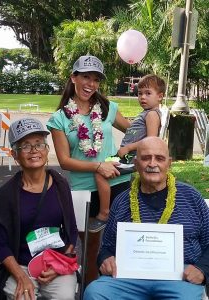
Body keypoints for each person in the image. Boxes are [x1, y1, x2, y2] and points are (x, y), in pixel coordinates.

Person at [84, 136, 209, 300]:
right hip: (128, 277)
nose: (152, 164)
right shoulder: (122, 201)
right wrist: (106, 259)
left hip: (179, 276)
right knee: (95, 293)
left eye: (159, 158)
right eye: (145, 158)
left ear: (169, 163)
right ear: (136, 164)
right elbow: (106, 247)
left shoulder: (191, 197)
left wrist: (201, 269)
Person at [46, 55, 131, 284]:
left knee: (125, 242)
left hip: (119, 182)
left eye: (95, 79)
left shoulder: (107, 108)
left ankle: (121, 290)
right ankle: (90, 291)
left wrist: (123, 153)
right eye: (85, 77)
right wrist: (97, 166)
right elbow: (64, 161)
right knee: (91, 247)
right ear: (73, 77)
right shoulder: (60, 118)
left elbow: (133, 131)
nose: (90, 84)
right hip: (85, 190)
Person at [0, 117, 78, 300]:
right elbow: (1, 244)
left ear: (46, 150)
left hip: (56, 262)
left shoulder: (60, 184)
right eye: (25, 146)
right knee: (23, 297)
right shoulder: (7, 194)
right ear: (15, 155)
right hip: (21, 266)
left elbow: (71, 231)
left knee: (65, 296)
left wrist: (59, 266)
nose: (34, 151)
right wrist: (21, 276)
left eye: (39, 144)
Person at [93, 74, 165, 230]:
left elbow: (150, 141)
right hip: (128, 156)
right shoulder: (146, 113)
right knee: (104, 167)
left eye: (148, 93)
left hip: (132, 158)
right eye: (140, 93)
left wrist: (128, 148)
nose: (142, 97)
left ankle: (104, 213)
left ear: (160, 96)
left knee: (100, 172)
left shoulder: (152, 114)